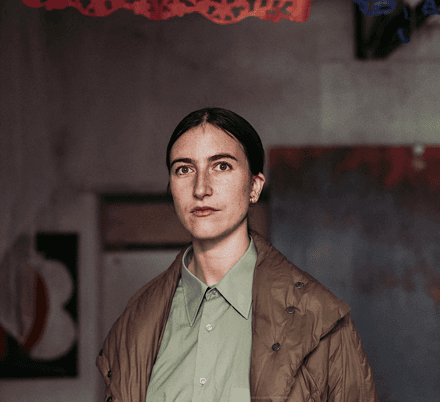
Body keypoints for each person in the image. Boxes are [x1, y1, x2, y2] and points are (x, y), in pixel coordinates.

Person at [97, 108, 379, 402]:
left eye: (221, 166)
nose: (200, 188)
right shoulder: (134, 322)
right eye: (184, 169)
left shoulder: (320, 319)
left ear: (254, 186)